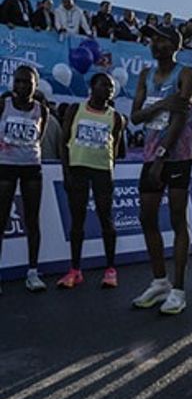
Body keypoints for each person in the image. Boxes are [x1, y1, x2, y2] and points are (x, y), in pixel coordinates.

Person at [129, 26, 192, 314]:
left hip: (177, 157)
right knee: (146, 217)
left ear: (174, 45)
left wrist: (161, 154)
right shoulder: (145, 75)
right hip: (150, 157)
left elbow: (180, 117)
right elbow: (135, 117)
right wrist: (162, 104)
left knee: (177, 220)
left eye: (161, 39)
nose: (155, 44)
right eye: (153, 40)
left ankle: (179, 290)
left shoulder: (186, 73)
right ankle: (160, 282)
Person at [56, 73, 126, 289]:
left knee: (106, 220)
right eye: (104, 85)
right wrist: (66, 172)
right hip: (77, 169)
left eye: (112, 87)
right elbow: (63, 141)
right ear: (92, 87)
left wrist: (109, 170)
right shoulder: (75, 110)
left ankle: (110, 270)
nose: (109, 89)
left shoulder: (117, 118)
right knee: (77, 221)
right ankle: (75, 270)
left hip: (102, 172)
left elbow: (116, 150)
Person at [0, 65, 50, 293]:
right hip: (5, 166)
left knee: (32, 219)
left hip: (31, 166)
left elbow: (39, 137)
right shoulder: (3, 104)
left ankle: (32, 272)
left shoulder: (42, 110)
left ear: (35, 85)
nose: (21, 86)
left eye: (26, 82)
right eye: (17, 81)